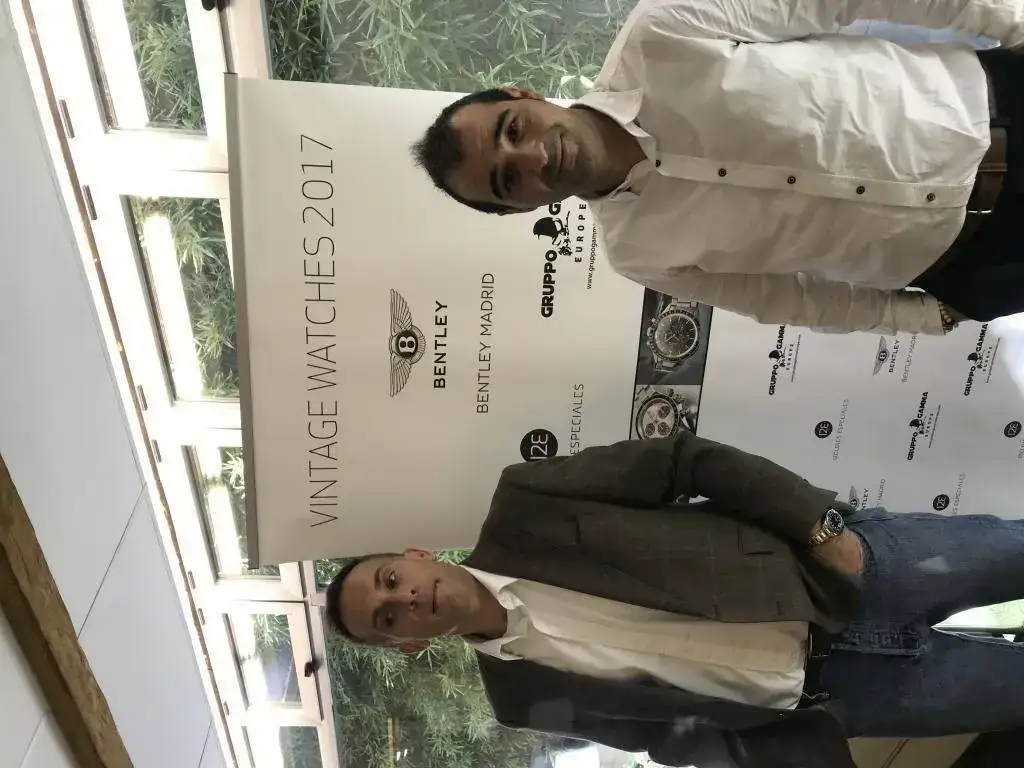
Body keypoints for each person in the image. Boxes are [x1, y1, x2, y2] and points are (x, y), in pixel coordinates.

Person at [325, 432, 1024, 768]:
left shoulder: (525, 502)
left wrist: (821, 529)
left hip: (850, 573)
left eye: (389, 579)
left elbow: (681, 461)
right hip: (847, 692)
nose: (406, 598)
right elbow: (666, 736)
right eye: (388, 619)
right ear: (407, 646)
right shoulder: (518, 700)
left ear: (413, 555)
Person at [410, 0, 1024, 336]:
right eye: (508, 180)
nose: (534, 157)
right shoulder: (639, 253)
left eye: (512, 130)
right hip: (981, 261)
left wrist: (1011, 20)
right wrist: (919, 316)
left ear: (522, 95)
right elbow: (785, 300)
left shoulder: (661, 32)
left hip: (1003, 108)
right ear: (521, 209)